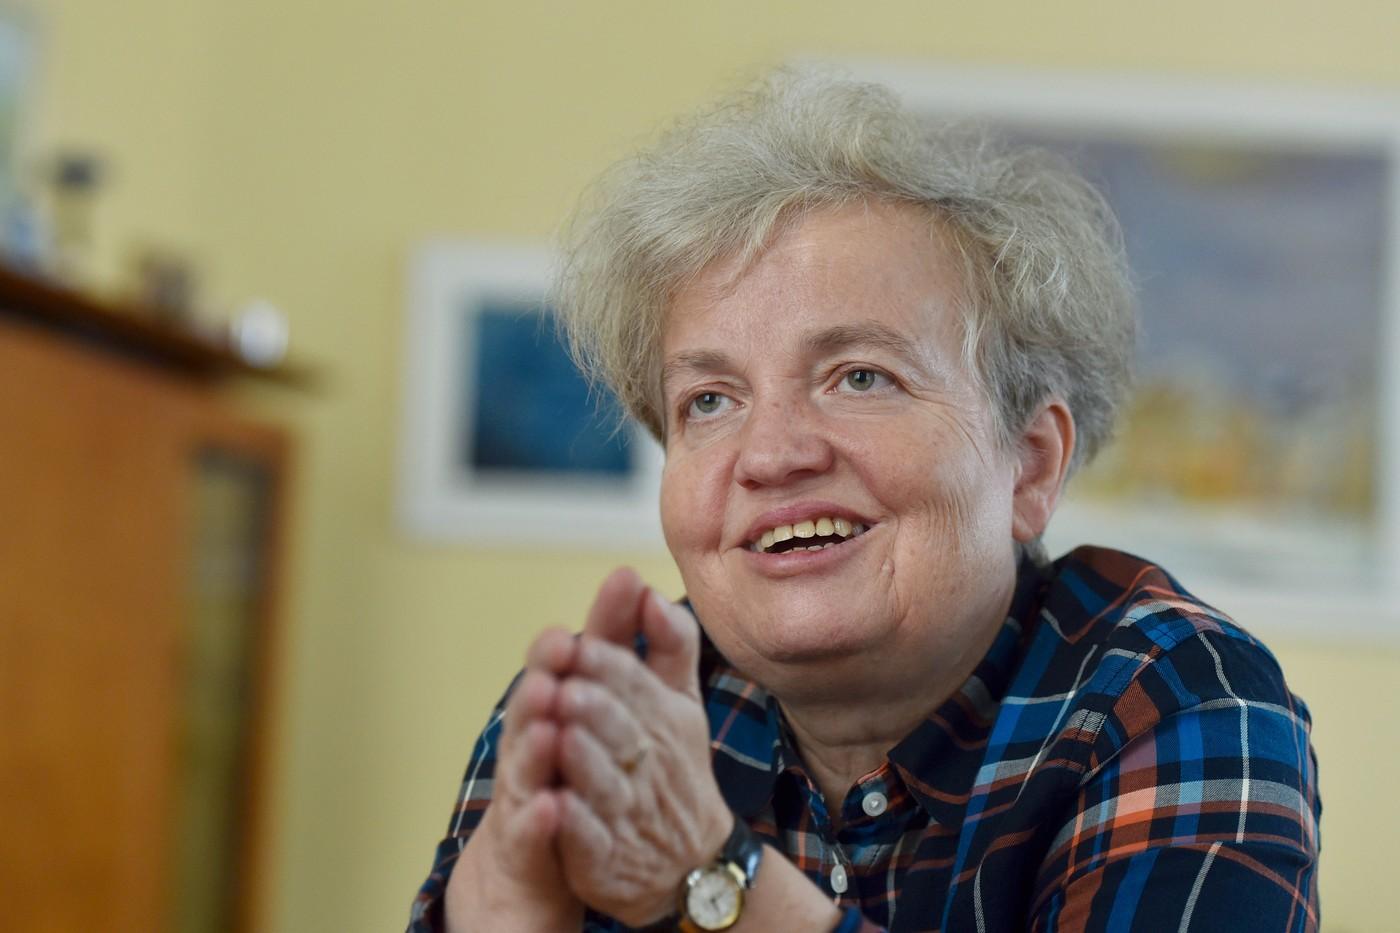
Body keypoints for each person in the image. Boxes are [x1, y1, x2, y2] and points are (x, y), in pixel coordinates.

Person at [408, 70, 1320, 932]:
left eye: (859, 376)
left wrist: (711, 878)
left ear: (1029, 464)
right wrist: (508, 905)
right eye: (710, 400)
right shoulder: (603, 722)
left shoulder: (1178, 699)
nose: (772, 455)